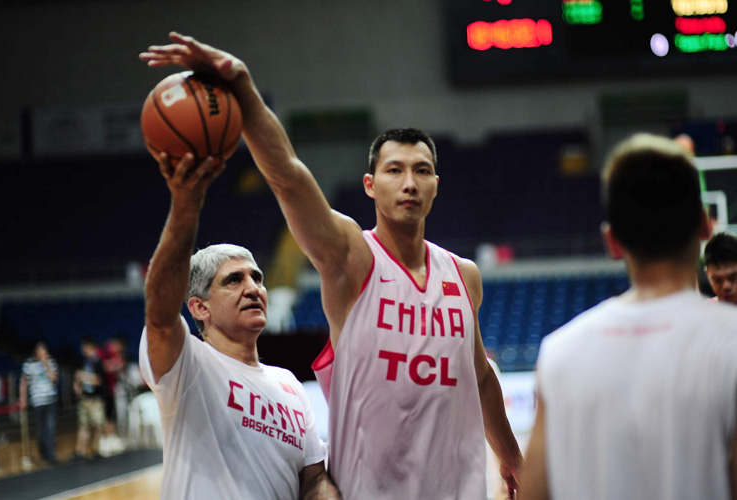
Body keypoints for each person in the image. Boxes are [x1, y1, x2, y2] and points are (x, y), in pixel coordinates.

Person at [141, 33, 522, 500]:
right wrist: (241, 84)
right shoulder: (351, 259)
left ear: (436, 185)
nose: (409, 183)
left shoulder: (465, 277)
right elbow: (286, 175)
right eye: (394, 170)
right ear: (369, 184)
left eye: (422, 170)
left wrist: (509, 455)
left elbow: (480, 377)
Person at [134, 96, 339, 497]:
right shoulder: (188, 365)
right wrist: (185, 209)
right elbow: (158, 314)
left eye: (257, 278)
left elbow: (313, 478)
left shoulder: (289, 385)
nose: (253, 287)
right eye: (233, 280)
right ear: (199, 307)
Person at [520, 134, 737, 500]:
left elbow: (535, 492)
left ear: (612, 242)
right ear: (705, 225)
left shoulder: (558, 353)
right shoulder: (730, 341)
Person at [19, 341, 59, 465]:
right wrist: (23, 398)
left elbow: (54, 379)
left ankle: (51, 455)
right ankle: (43, 453)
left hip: (50, 399)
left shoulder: (51, 361)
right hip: (37, 401)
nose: (44, 352)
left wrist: (45, 363)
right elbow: (24, 382)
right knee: (41, 429)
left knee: (50, 427)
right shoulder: (29, 363)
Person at [72, 337, 106, 461]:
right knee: (83, 425)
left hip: (95, 400)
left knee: (98, 425)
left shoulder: (98, 362)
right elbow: (78, 376)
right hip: (85, 398)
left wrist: (84, 376)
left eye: (85, 347)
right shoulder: (84, 361)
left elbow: (99, 381)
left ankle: (96, 449)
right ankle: (80, 451)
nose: (82, 350)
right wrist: (77, 385)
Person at [703, 231, 737, 305]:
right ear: (707, 274)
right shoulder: (704, 312)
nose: (726, 286)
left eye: (733, 278)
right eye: (717, 280)